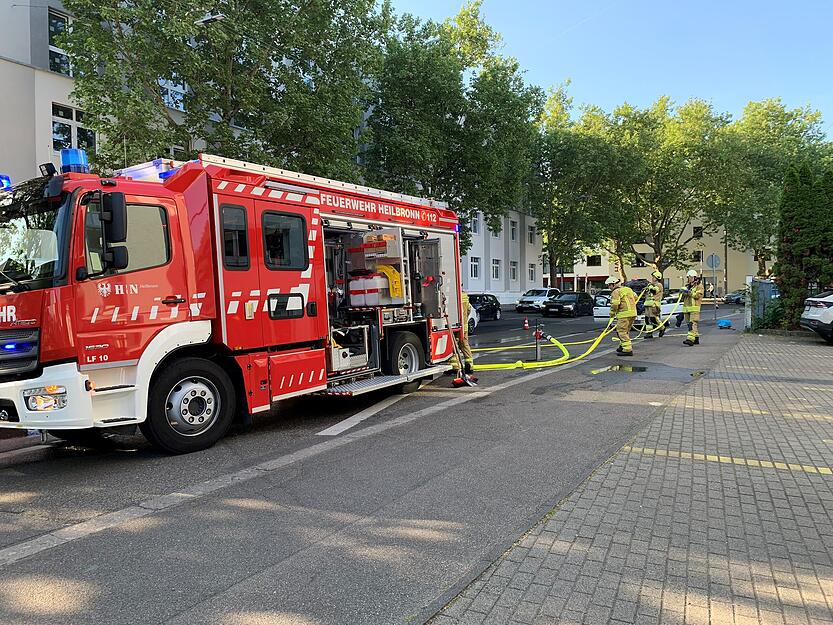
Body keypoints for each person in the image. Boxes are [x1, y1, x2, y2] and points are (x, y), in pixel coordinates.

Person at [451, 290, 477, 386]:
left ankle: (456, 367)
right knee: (464, 345)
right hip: (464, 326)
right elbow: (469, 309)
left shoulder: (452, 295)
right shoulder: (465, 296)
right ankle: (469, 366)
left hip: (455, 326)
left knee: (454, 346)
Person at [607, 275, 637, 356]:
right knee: (626, 331)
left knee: (621, 331)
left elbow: (615, 304)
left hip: (623, 314)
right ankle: (622, 346)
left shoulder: (615, 292)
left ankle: (627, 350)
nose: (609, 287)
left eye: (609, 285)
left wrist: (612, 313)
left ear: (613, 284)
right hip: (633, 313)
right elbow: (636, 297)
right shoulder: (628, 289)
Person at [682, 269, 703, 346]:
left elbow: (698, 295)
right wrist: (682, 293)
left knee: (692, 323)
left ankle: (690, 339)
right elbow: (682, 298)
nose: (689, 279)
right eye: (688, 277)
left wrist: (689, 292)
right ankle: (696, 338)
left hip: (694, 308)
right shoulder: (687, 286)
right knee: (689, 324)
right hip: (687, 308)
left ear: (694, 277)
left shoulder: (699, 286)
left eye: (690, 277)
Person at [644, 270, 665, 339]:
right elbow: (647, 293)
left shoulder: (659, 285)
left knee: (653, 319)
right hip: (648, 304)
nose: (652, 278)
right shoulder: (650, 285)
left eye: (653, 277)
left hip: (654, 304)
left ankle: (662, 328)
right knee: (647, 319)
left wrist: (649, 288)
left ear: (657, 277)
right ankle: (649, 333)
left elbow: (654, 291)